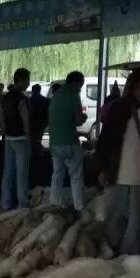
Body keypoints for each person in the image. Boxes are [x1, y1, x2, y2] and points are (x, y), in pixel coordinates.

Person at [96, 66, 140, 255]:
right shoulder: (119, 108)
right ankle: (109, 252)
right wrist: (102, 168)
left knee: (136, 220)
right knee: (113, 217)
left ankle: (130, 256)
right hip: (118, 172)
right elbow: (105, 140)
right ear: (137, 85)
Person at [48, 70, 87, 211]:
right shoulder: (73, 96)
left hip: (55, 143)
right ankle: (79, 207)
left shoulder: (56, 95)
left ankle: (54, 204)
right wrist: (84, 117)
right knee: (76, 175)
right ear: (76, 83)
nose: (80, 88)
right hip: (70, 142)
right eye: (81, 85)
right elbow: (78, 120)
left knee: (57, 175)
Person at [1, 68, 31, 210]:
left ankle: (6, 202)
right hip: (21, 138)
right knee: (21, 173)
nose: (28, 83)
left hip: (8, 138)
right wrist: (28, 138)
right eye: (27, 80)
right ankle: (22, 203)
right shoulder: (22, 99)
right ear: (21, 80)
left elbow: (2, 119)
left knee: (8, 172)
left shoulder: (5, 98)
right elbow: (26, 120)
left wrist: (5, 133)